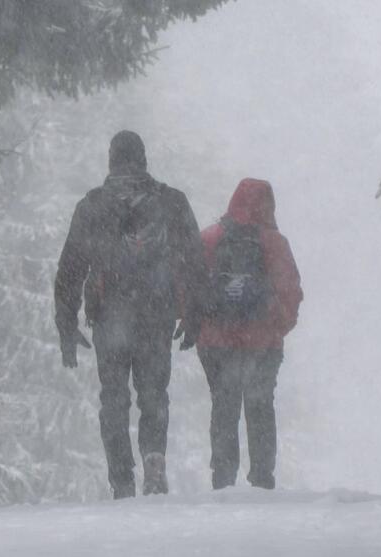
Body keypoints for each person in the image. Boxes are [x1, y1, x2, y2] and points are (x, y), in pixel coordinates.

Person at [54, 131, 207, 499]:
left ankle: (121, 479)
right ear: (143, 158)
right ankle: (154, 460)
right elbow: (195, 263)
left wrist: (66, 323)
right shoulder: (171, 202)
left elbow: (70, 269)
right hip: (157, 313)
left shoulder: (92, 206)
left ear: (111, 160)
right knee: (154, 393)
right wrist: (194, 315)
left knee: (114, 397)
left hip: (110, 317)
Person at [197, 178, 302, 490]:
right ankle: (262, 477)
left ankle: (223, 477)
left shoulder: (210, 238)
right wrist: (274, 328)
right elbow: (291, 294)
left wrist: (204, 326)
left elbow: (190, 287)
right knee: (259, 406)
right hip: (262, 344)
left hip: (217, 343)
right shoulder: (275, 243)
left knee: (224, 406)